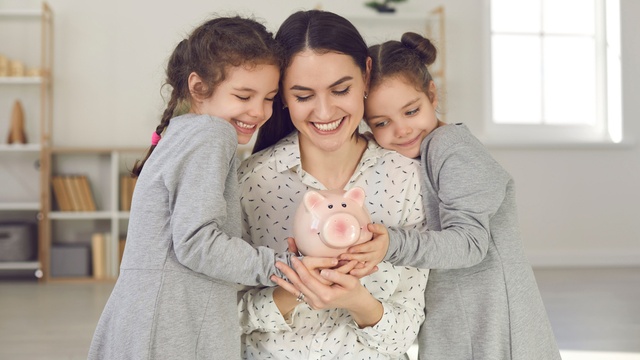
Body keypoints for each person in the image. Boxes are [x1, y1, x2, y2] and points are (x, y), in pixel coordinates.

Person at [87, 16, 313, 360]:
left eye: (269, 98)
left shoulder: (181, 133)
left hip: (147, 322)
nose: (259, 111)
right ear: (198, 87)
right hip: (171, 329)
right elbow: (197, 243)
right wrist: (284, 267)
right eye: (243, 95)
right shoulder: (212, 134)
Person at [349, 31, 562, 359]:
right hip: (460, 313)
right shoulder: (419, 151)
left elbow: (470, 244)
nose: (401, 129)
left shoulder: (451, 148)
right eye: (381, 122)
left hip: (489, 321)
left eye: (411, 111)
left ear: (432, 95)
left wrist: (392, 244)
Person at [237, 10, 429, 360]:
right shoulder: (251, 183)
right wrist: (293, 289)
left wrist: (358, 302)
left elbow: (408, 329)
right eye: (303, 95)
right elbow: (222, 317)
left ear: (366, 75)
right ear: (282, 94)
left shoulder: (408, 179)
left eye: (341, 89)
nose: (324, 112)